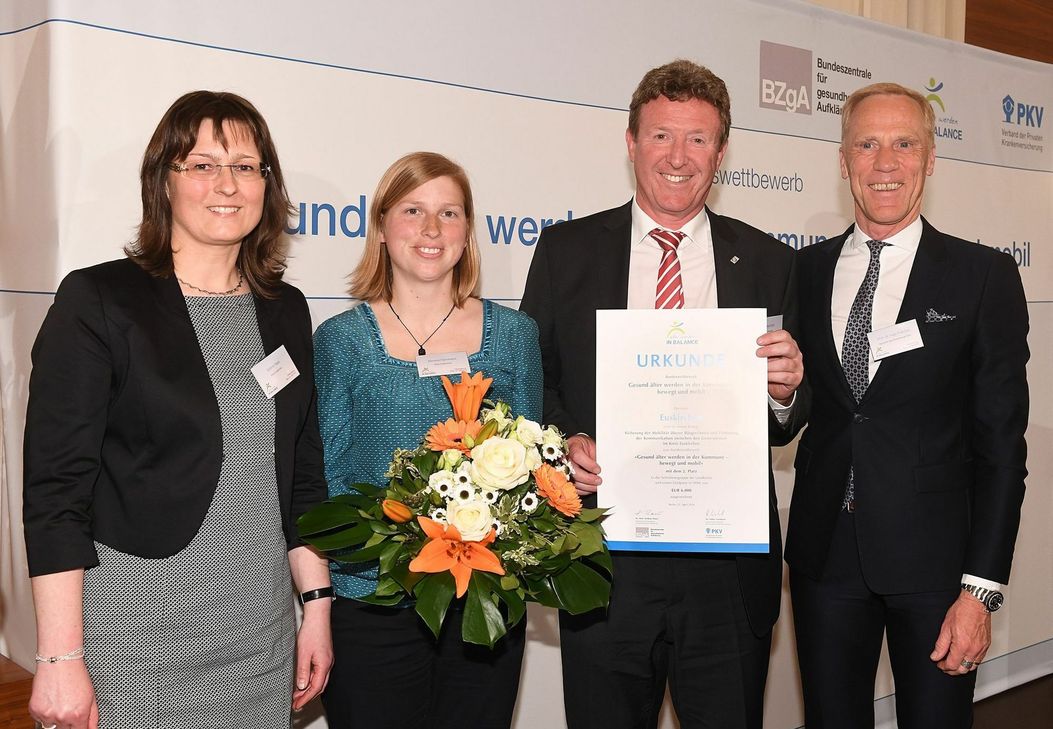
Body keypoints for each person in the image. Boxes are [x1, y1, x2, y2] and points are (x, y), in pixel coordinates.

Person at [22, 91, 333, 729]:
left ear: (267, 186)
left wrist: (318, 609)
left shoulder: (286, 309)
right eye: (202, 165)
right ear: (164, 181)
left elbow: (301, 473)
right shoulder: (101, 300)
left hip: (259, 632)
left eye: (246, 166)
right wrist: (57, 655)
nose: (227, 184)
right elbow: (56, 492)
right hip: (136, 633)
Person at [519, 59, 807, 729]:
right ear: (630, 142)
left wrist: (786, 392)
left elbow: (784, 422)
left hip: (727, 570)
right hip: (602, 554)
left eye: (698, 139)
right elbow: (536, 377)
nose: (678, 157)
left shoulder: (768, 261)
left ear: (722, 151)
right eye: (660, 136)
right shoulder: (566, 250)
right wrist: (562, 440)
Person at [785, 82, 1029, 728]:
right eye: (866, 144)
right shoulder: (803, 273)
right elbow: (801, 404)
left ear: (929, 159)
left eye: (903, 144)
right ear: (843, 160)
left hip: (936, 569)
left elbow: (1002, 447)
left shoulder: (981, 277)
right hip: (823, 558)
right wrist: (780, 398)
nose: (884, 163)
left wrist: (979, 589)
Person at [314, 151, 542, 729]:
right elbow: (327, 478)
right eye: (413, 210)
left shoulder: (516, 335)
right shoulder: (339, 340)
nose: (432, 230)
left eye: (450, 213)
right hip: (372, 600)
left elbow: (536, 470)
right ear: (383, 226)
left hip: (485, 604)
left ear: (468, 232)